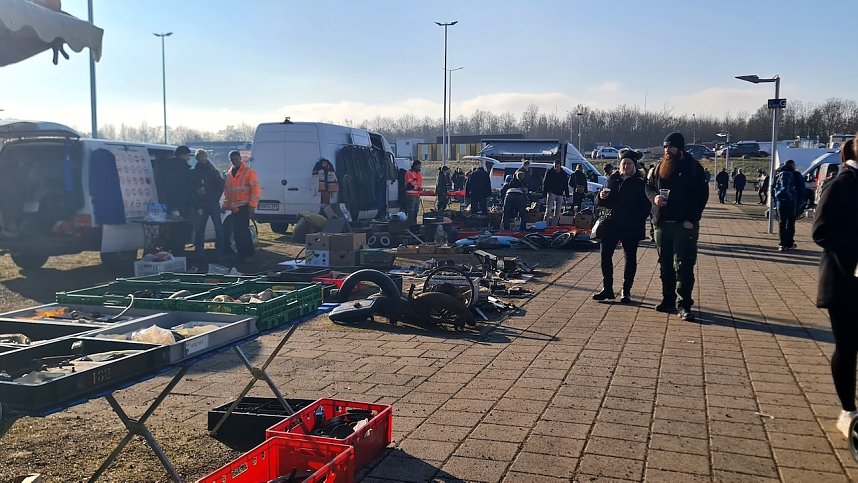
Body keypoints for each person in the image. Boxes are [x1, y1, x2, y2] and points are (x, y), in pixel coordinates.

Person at [812, 137, 858, 439]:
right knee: (848, 345)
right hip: (845, 279)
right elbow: (821, 231)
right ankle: (848, 410)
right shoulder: (841, 183)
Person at [645, 132, 709, 321]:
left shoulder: (694, 168)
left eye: (670, 147)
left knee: (683, 265)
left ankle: (684, 304)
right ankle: (668, 300)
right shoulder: (658, 168)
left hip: (684, 225)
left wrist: (692, 218)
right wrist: (654, 198)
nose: (667, 151)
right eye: (665, 147)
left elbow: (702, 196)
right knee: (665, 265)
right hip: (662, 224)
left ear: (680, 149)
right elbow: (648, 187)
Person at [593, 157, 651, 303]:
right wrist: (600, 197)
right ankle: (607, 289)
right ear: (620, 165)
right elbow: (599, 201)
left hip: (631, 225)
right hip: (611, 223)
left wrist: (638, 219)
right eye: (623, 163)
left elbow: (646, 206)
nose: (626, 166)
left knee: (630, 257)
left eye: (629, 163)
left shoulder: (640, 183)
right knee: (605, 256)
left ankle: (626, 291)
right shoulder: (612, 179)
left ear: (634, 166)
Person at [222, 150, 261, 262]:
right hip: (235, 208)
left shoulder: (248, 172)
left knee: (243, 231)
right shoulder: (230, 173)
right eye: (233, 160)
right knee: (238, 232)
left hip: (244, 206)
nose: (235, 161)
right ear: (230, 160)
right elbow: (228, 192)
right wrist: (225, 205)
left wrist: (252, 205)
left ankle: (247, 254)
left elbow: (256, 190)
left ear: (240, 158)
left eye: (236, 159)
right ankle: (241, 253)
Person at [160, 145, 194, 256]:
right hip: (182, 203)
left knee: (172, 229)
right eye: (187, 156)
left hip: (169, 203)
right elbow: (187, 186)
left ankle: (170, 251)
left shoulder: (166, 167)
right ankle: (179, 253)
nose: (189, 158)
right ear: (182, 155)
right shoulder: (182, 169)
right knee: (182, 229)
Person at [191, 149, 224, 256]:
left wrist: (215, 198)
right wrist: (197, 206)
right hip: (201, 205)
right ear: (198, 159)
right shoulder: (195, 172)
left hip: (213, 203)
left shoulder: (213, 171)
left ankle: (219, 250)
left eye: (205, 157)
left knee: (218, 228)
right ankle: (199, 252)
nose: (204, 159)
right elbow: (193, 190)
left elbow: (220, 185)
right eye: (201, 157)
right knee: (200, 229)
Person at [772, 159, 803, 251]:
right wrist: (800, 202)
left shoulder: (777, 174)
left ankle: (782, 244)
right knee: (790, 223)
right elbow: (801, 189)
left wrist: (776, 200)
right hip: (792, 202)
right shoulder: (796, 175)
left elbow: (773, 188)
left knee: (782, 222)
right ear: (792, 166)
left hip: (780, 202)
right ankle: (789, 243)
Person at [542, 159, 569, 226]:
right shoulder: (549, 172)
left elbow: (565, 184)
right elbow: (545, 184)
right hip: (552, 193)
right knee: (548, 210)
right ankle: (545, 224)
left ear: (560, 166)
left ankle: (554, 225)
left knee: (558, 211)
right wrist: (544, 195)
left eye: (557, 166)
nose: (556, 168)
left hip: (560, 193)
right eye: (555, 166)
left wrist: (567, 194)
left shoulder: (563, 174)